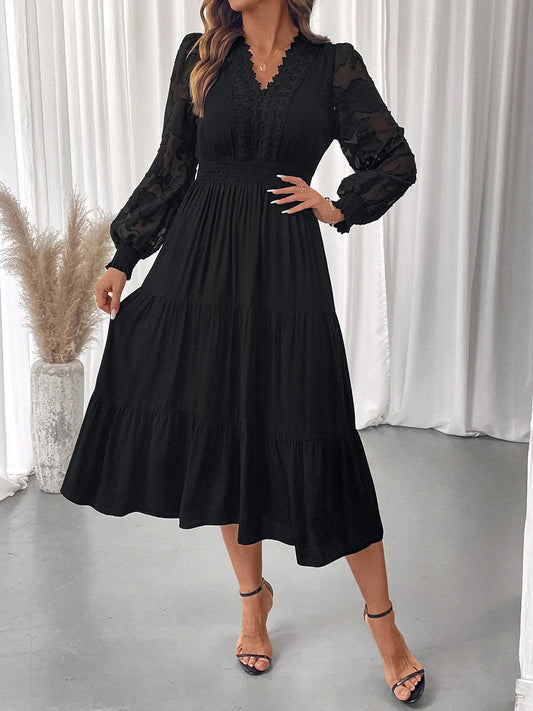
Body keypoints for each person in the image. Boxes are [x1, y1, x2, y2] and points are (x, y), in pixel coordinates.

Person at [60, 0, 424, 703]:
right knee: (224, 434)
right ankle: (253, 602)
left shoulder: (332, 66)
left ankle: (385, 628)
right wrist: (125, 256)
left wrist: (337, 206)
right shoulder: (200, 56)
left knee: (319, 433)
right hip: (200, 268)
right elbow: (172, 167)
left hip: (286, 273)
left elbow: (393, 159)